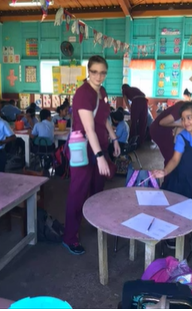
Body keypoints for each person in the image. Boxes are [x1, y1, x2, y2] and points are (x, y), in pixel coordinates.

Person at [63, 55, 120, 255]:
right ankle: (70, 236)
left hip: (99, 146)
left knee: (98, 189)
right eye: (95, 72)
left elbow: (103, 118)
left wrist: (113, 137)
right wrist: (99, 156)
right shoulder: (83, 93)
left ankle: (95, 222)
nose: (99, 76)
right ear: (89, 71)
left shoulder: (102, 91)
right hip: (84, 149)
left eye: (103, 72)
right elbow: (88, 128)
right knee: (78, 191)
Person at [150, 92, 192, 166]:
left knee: (175, 154)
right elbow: (162, 122)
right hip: (158, 130)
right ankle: (169, 175)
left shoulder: (191, 111)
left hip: (167, 130)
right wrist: (181, 124)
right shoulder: (183, 108)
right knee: (171, 157)